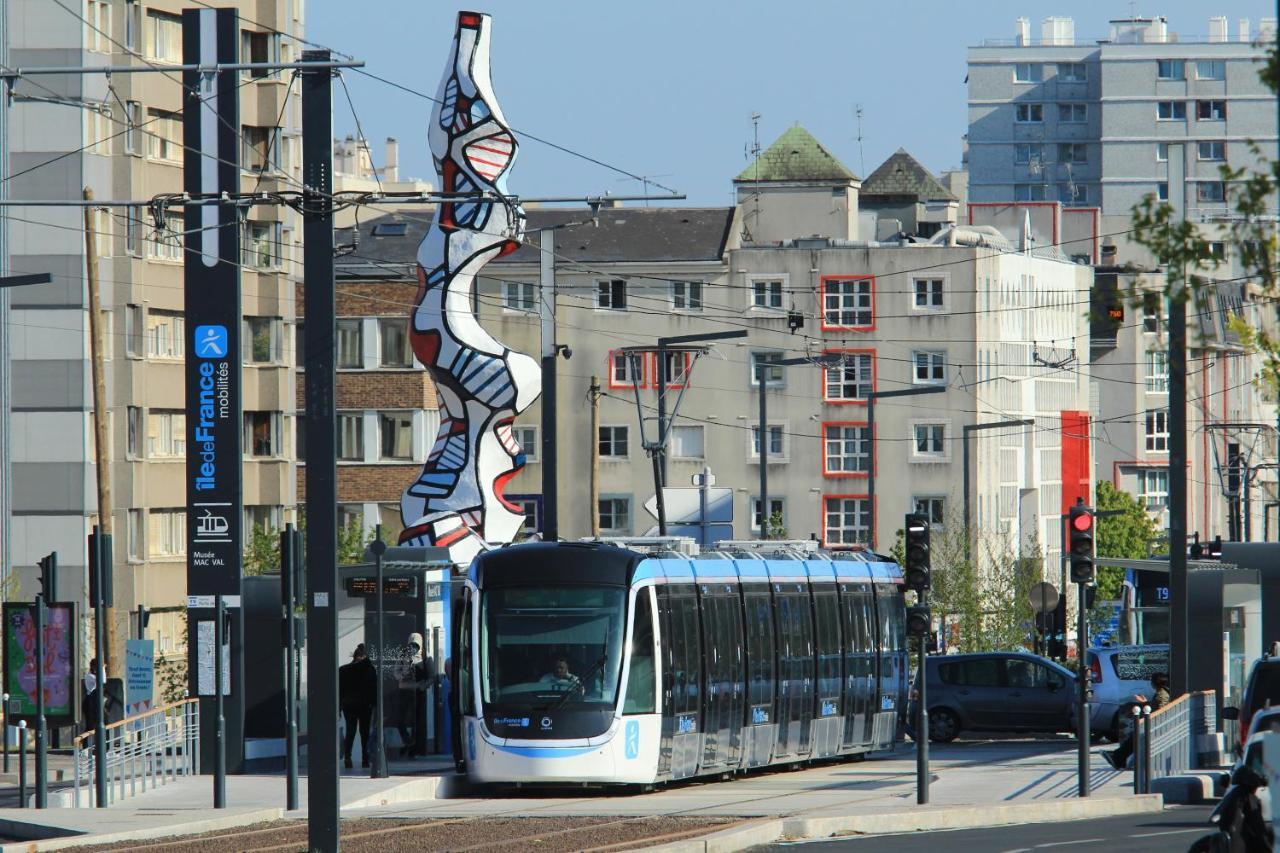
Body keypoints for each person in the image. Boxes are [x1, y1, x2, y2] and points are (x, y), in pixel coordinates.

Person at [1104, 672, 1170, 770]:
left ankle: (1118, 757)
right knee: (1134, 737)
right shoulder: (1160, 692)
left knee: (1136, 737)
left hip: (1158, 725)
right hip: (1154, 724)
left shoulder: (1161, 694)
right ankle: (1118, 757)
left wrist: (1146, 706)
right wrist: (1145, 703)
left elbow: (1161, 710)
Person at [396, 633, 436, 758]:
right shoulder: (403, 655)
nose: (413, 647)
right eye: (411, 644)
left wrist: (424, 685)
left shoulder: (426, 657)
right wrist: (402, 676)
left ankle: (414, 748)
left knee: (417, 721)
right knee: (399, 719)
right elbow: (396, 671)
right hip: (404, 691)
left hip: (418, 692)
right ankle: (408, 742)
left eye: (415, 644)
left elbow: (432, 676)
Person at [339, 644, 377, 769]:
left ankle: (348, 757)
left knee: (351, 731)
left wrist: (338, 707)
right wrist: (375, 705)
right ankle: (365, 759)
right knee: (364, 733)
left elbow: (340, 690)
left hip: (349, 705)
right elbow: (374, 689)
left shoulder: (344, 670)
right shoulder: (370, 669)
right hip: (365, 706)